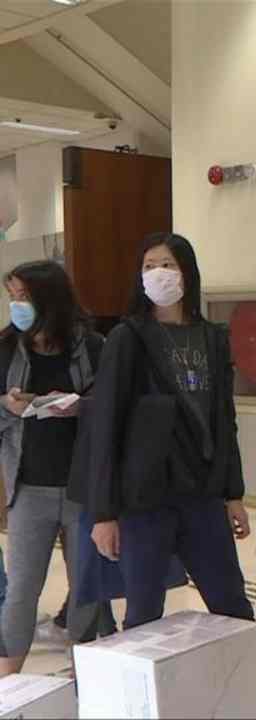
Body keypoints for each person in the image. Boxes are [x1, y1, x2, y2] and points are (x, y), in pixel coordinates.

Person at [79, 233, 256, 719]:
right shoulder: (128, 339)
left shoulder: (211, 337)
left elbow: (224, 420)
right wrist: (104, 513)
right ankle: (139, 708)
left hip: (201, 497)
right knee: (143, 615)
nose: (157, 273)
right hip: (145, 500)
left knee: (233, 607)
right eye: (148, 265)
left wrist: (232, 493)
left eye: (166, 263)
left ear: (186, 272)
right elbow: (106, 426)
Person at [0, 261, 103, 676]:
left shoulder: (91, 348)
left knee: (87, 588)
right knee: (21, 590)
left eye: (24, 296)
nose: (17, 305)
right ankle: (8, 680)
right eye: (12, 296)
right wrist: (7, 407)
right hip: (29, 488)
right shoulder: (7, 349)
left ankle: (85, 672)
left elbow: (114, 408)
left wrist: (80, 407)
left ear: (50, 298)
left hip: (83, 488)